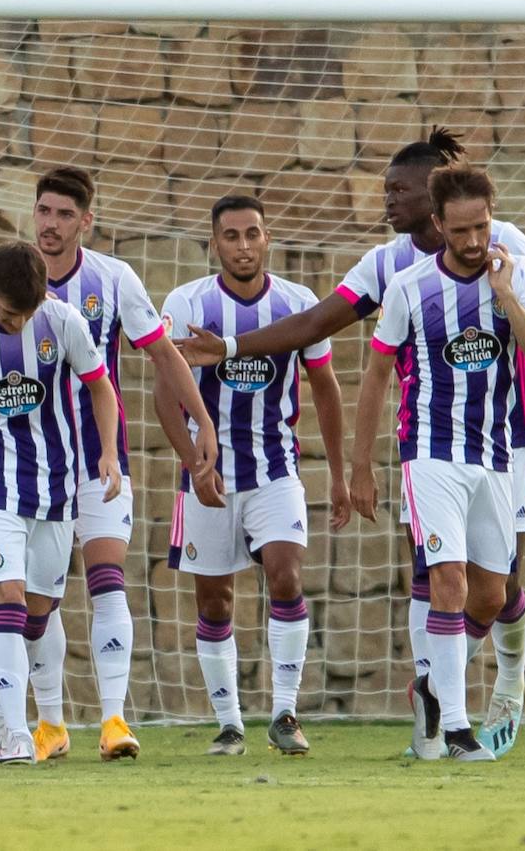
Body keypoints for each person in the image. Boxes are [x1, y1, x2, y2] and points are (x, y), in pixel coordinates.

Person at [177, 129, 525, 757]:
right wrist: (235, 347)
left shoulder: (504, 243)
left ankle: (506, 679)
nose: (387, 202)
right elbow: (315, 324)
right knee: (434, 575)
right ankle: (434, 720)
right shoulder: (390, 266)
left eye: (398, 191)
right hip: (428, 446)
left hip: (505, 441)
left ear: (435, 193)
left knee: (498, 587)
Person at [0, 166, 219, 762]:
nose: (50, 225)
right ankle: (47, 722)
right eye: (43, 212)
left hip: (100, 464)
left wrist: (202, 420)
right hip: (25, 472)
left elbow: (162, 354)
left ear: (86, 219)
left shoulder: (114, 279)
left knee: (108, 580)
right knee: (36, 603)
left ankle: (113, 721)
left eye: (63, 214)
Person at [350, 162, 525, 761]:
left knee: (491, 595)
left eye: (482, 228)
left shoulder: (509, 278)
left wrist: (506, 296)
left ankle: (430, 688)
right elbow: (375, 376)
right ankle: (458, 730)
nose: (473, 242)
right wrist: (361, 466)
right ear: (438, 225)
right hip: (429, 454)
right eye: (461, 230)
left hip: (494, 458)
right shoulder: (410, 288)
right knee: (448, 580)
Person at [156, 195, 349, 756]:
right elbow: (164, 396)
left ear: (268, 240)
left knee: (286, 578)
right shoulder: (187, 302)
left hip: (275, 472)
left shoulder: (298, 303)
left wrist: (337, 474)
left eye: (253, 234)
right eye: (232, 236)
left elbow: (326, 388)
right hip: (208, 477)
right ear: (214, 243)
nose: (243, 245)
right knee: (215, 603)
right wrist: (194, 464)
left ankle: (285, 714)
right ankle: (229, 724)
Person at [0, 242, 121, 764]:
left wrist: (107, 454)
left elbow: (101, 388)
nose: (19, 324)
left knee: (37, 616)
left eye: (28, 313)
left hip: (54, 487)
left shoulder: (63, 322)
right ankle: (12, 732)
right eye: (11, 314)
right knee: (6, 600)